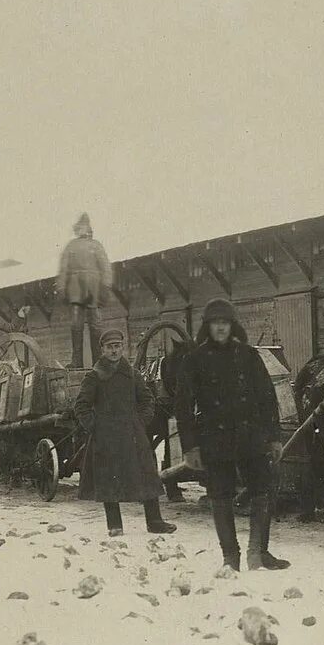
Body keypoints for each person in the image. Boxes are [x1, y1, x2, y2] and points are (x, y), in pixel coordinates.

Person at [174, 298, 288, 571]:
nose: (221, 328)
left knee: (263, 489)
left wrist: (273, 437)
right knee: (220, 494)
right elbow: (183, 407)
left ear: (232, 325)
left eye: (225, 322)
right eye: (216, 323)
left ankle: (258, 553)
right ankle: (231, 558)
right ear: (208, 327)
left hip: (251, 436)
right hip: (215, 439)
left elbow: (267, 398)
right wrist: (190, 448)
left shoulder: (248, 355)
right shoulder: (195, 359)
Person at [74, 329, 177, 537]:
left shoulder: (132, 374)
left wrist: (140, 422)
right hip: (106, 437)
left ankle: (155, 522)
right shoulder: (94, 376)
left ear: (122, 347)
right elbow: (81, 407)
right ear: (102, 349)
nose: (114, 351)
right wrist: (96, 427)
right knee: (108, 479)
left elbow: (147, 400)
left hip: (133, 435)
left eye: (117, 346)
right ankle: (115, 525)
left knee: (147, 474)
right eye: (109, 347)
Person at [56, 213, 113, 369]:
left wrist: (106, 286)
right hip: (76, 288)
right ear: (77, 230)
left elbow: (105, 267)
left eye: (85, 227)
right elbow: (64, 268)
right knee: (76, 325)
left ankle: (99, 361)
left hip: (92, 288)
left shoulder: (96, 245)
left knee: (96, 325)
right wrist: (61, 287)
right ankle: (77, 362)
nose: (83, 230)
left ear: (88, 229)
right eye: (80, 228)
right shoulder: (71, 246)